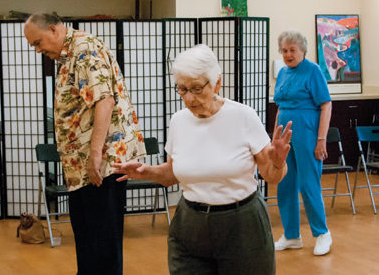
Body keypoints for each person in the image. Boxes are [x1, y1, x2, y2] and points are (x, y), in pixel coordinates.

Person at [113, 44, 292, 275]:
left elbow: (271, 176)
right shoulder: (179, 121)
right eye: (182, 89)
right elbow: (172, 174)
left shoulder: (243, 116)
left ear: (217, 82)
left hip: (242, 226)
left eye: (197, 88)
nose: (189, 98)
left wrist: (277, 161)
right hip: (190, 226)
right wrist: (146, 172)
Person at [24, 13, 146, 275]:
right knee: (87, 240)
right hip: (80, 167)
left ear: (55, 29)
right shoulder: (68, 55)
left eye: (38, 42)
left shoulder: (84, 49)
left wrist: (94, 156)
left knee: (102, 244)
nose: (38, 50)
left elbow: (104, 101)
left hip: (101, 164)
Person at [272, 30, 332, 256]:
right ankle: (291, 235)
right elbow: (280, 106)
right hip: (285, 133)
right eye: (284, 50)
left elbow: (326, 105)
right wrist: (274, 138)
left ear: (302, 51)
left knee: (309, 184)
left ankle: (322, 233)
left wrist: (321, 139)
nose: (288, 54)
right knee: (285, 185)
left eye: (292, 50)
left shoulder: (313, 71)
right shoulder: (283, 73)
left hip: (307, 132)